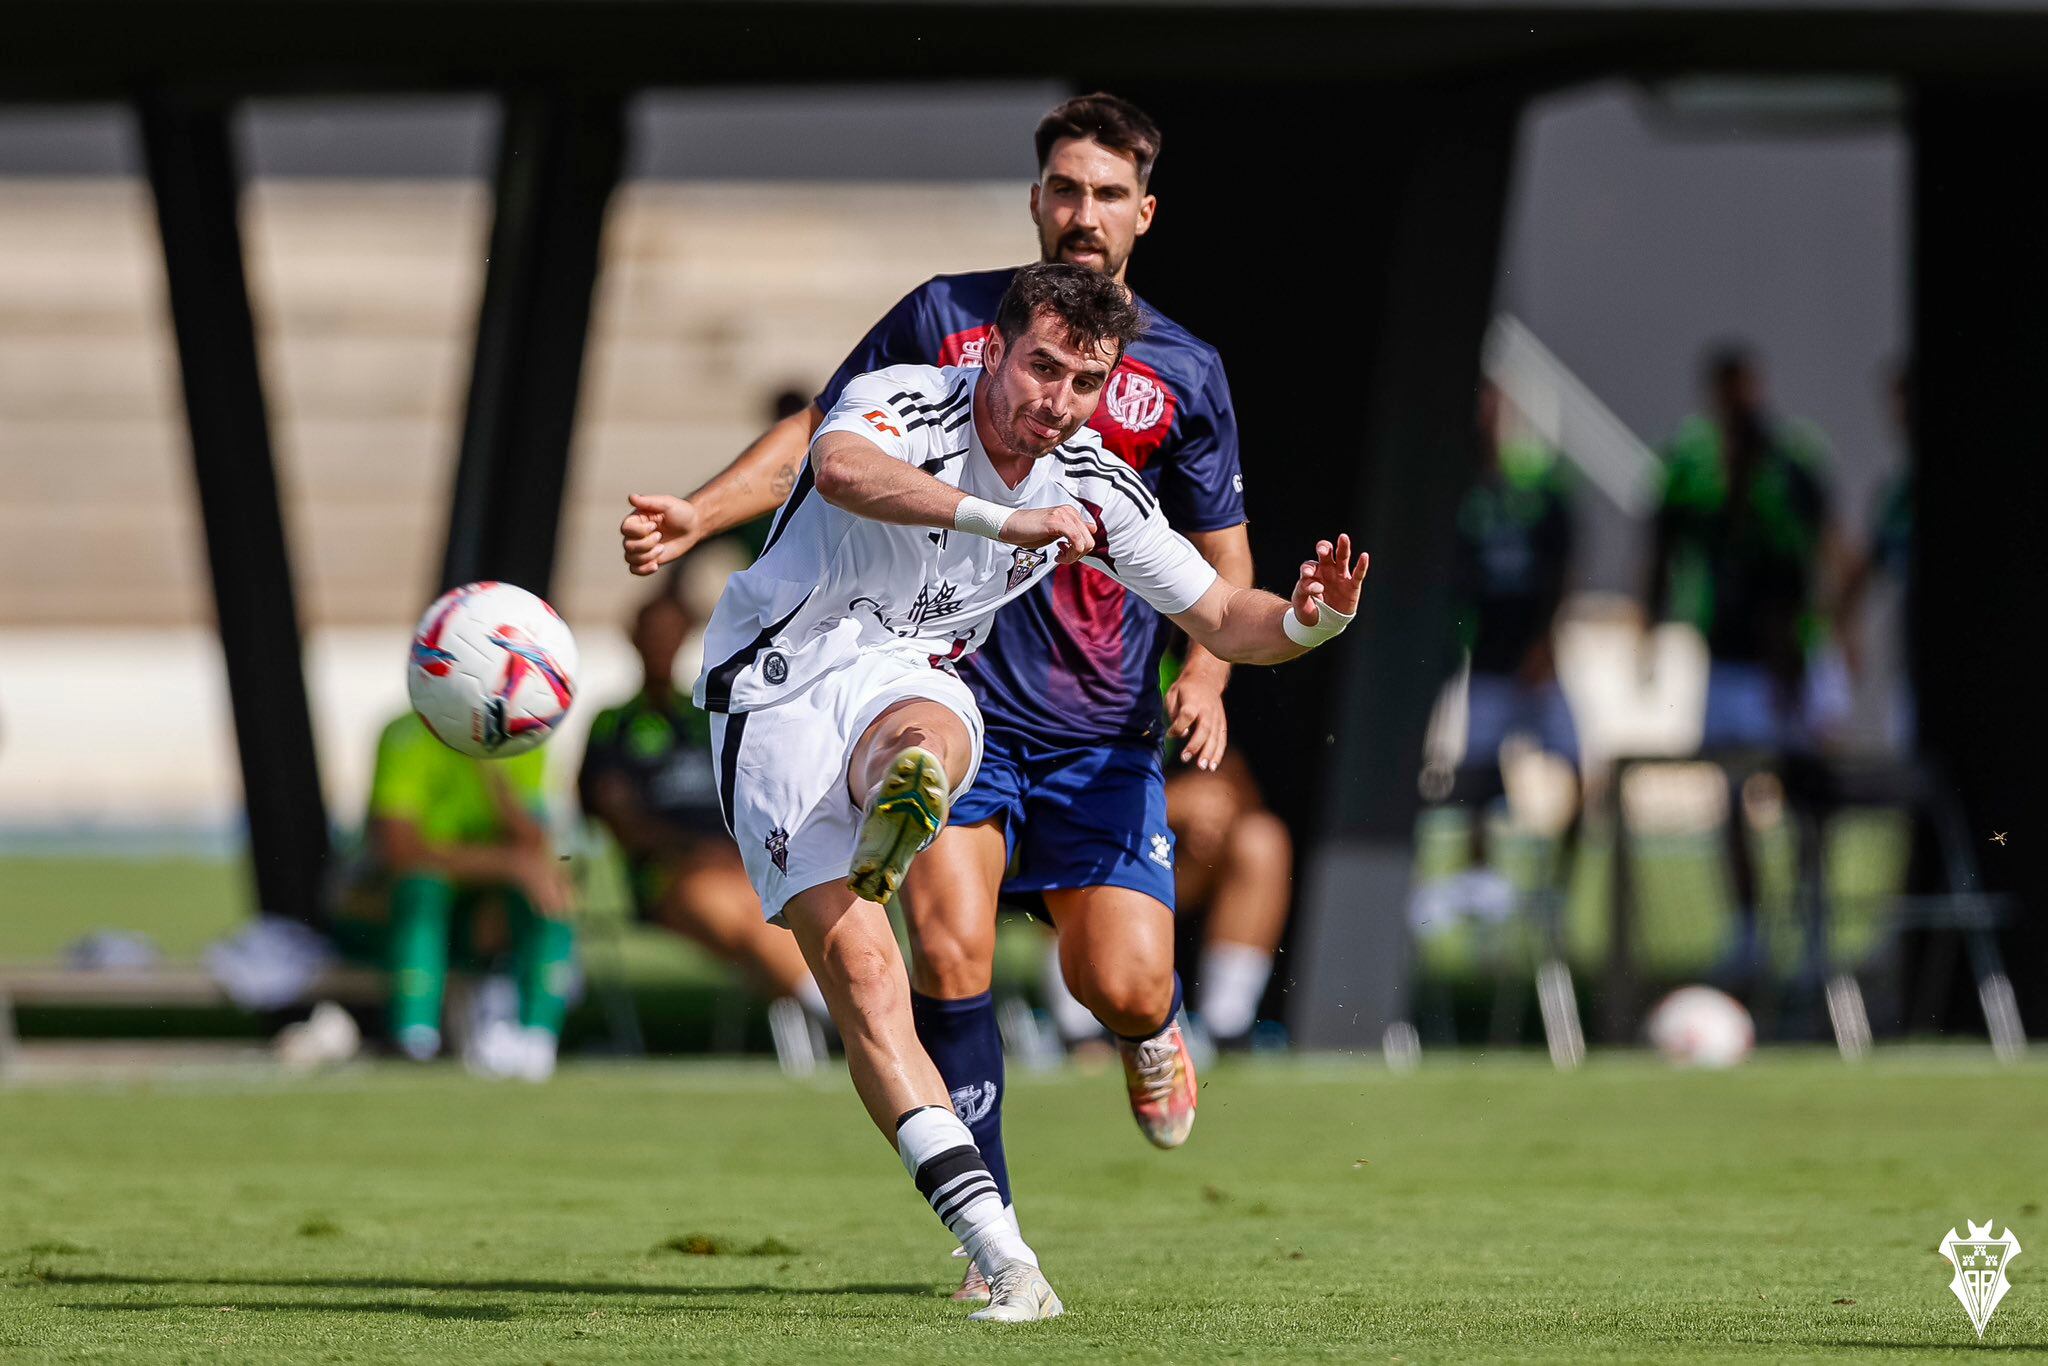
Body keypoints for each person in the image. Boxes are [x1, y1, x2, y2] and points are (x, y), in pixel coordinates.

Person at [620, 263, 1366, 1321]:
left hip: (908, 674)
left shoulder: (1097, 482)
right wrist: (1003, 523)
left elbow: (1218, 615)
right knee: (872, 985)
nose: (1053, 400)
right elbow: (836, 470)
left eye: (1081, 381)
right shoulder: (909, 398)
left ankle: (900, 795)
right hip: (776, 688)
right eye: (1040, 367)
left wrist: (1306, 622)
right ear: (994, 351)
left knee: (925, 728)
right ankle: (994, 1238)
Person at [1645, 344, 1839, 977]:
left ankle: (1812, 922)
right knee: (1728, 793)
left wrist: (1825, 641)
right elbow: (1661, 542)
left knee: (1803, 788)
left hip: (1790, 660)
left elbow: (1823, 550)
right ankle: (1750, 925)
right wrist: (1649, 623)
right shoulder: (1692, 462)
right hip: (1725, 657)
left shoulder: (1792, 460)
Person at [578, 587, 832, 1067]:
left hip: (740, 866)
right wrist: (697, 850)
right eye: (651, 633)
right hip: (667, 878)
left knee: (784, 901)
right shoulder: (613, 725)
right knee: (729, 905)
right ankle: (843, 1012)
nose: (660, 644)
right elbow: (617, 819)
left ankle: (842, 1011)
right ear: (632, 638)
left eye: (670, 633)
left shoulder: (706, 715)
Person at [1413, 379, 1579, 928]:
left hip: (1533, 654)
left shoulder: (1535, 483)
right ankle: (1478, 874)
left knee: (1572, 762)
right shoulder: (1459, 489)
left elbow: (1562, 565)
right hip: (1482, 659)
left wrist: (1546, 641)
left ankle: (1561, 884)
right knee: (1477, 769)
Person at [351, 710, 578, 1081]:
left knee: (548, 888)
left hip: (483, 912)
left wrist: (490, 769)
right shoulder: (406, 736)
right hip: (396, 913)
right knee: (422, 891)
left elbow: (532, 846)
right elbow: (401, 854)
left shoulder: (526, 739)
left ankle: (535, 1039)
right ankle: (416, 1039)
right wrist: (505, 864)